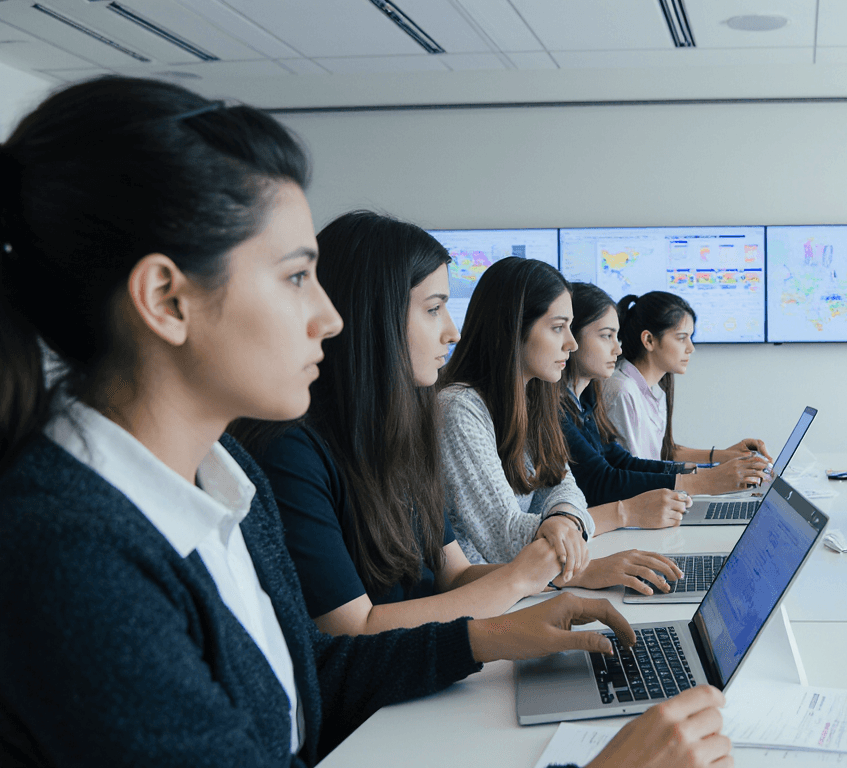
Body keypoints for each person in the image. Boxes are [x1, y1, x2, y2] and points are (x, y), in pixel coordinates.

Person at [0, 76, 729, 766]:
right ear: (166, 298)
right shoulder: (66, 553)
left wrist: (490, 637)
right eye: (294, 277)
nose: (331, 316)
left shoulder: (224, 475)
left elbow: (311, 673)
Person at [237, 211, 568, 636]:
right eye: (434, 310)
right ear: (374, 317)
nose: (453, 333)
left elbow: (452, 576)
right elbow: (354, 628)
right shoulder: (291, 451)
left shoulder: (404, 432)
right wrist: (518, 580)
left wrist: (558, 580)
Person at [436, 258, 687, 594]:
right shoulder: (459, 409)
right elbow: (506, 539)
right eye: (558, 328)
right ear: (513, 329)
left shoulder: (531, 399)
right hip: (483, 599)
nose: (571, 343)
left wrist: (562, 519)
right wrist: (582, 561)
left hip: (527, 589)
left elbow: (565, 486)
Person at [560, 282, 771, 506]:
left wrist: (712, 467)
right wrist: (709, 478)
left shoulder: (586, 400)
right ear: (649, 340)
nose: (618, 349)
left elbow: (622, 461)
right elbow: (606, 481)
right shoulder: (618, 390)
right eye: (606, 336)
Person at [605, 291, 771, 490]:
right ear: (649, 340)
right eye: (681, 338)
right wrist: (712, 478)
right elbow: (634, 470)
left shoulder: (653, 388)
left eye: (690, 337)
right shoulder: (623, 391)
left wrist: (726, 456)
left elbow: (663, 453)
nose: (691, 348)